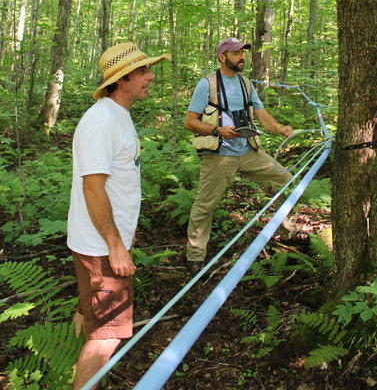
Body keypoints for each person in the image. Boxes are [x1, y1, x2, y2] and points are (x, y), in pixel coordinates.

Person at [67, 42, 170, 390]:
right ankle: (86, 378)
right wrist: (115, 245)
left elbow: (115, 185)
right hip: (100, 247)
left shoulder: (116, 116)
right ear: (121, 79)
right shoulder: (101, 121)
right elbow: (93, 188)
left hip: (100, 241)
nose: (150, 76)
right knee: (107, 337)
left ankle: (72, 362)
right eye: (143, 71)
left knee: (89, 315)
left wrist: (123, 234)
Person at [184, 37, 298, 276]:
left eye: (242, 53)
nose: (241, 57)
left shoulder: (246, 83)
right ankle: (195, 257)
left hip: (247, 151)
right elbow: (190, 121)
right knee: (205, 205)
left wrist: (279, 129)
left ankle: (289, 233)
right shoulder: (207, 84)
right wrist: (218, 130)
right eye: (235, 53)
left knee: (284, 179)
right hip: (218, 155)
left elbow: (261, 113)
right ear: (221, 57)